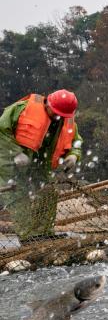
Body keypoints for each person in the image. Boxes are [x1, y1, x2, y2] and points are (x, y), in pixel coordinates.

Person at [0, 89, 81, 240]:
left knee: (48, 193)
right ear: (48, 103)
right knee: (19, 198)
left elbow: (76, 142)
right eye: (56, 113)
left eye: (62, 115)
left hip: (40, 168)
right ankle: (28, 238)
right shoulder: (21, 109)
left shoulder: (66, 121)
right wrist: (15, 152)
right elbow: (1, 131)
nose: (58, 117)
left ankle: (43, 234)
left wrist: (73, 156)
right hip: (11, 166)